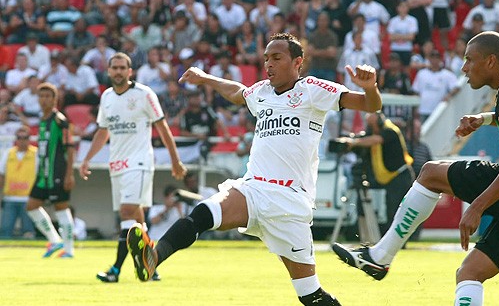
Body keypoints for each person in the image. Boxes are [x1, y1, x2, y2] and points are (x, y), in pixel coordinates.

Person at [126, 32, 382, 305]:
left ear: (298, 62)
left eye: (276, 58)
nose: (268, 64)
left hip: (290, 201)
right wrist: (205, 78)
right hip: (254, 189)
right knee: (204, 212)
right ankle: (155, 256)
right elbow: (237, 92)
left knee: (310, 294)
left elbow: (370, 105)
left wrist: (370, 87)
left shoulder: (313, 89)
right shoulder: (261, 92)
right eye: (266, 59)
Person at [332, 31, 499, 306]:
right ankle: (379, 259)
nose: (464, 68)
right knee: (469, 274)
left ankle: (380, 257)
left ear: (491, 61)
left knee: (431, 173)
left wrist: (477, 207)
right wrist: (482, 119)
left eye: (470, 60)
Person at [78, 52, 187, 283]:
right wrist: (87, 158)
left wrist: (175, 160)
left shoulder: (144, 94)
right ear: (108, 71)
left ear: (130, 72)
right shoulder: (106, 96)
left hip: (139, 162)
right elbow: (102, 131)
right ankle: (152, 265)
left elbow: (163, 127)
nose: (118, 71)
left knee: (126, 213)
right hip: (116, 164)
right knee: (137, 221)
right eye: (114, 68)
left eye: (122, 68)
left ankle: (115, 270)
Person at [335, 111, 415, 234]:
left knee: (396, 210)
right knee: (388, 208)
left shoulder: (391, 131)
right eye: (369, 125)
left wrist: (354, 142)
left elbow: (376, 140)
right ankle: (364, 233)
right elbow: (367, 141)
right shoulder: (370, 136)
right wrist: (350, 141)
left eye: (373, 124)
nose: (372, 128)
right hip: (385, 177)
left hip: (400, 175)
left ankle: (399, 240)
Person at [26, 83, 76, 258]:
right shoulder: (42, 120)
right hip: (43, 175)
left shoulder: (59, 120)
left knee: (61, 208)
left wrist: (69, 174)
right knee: (31, 206)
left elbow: (70, 148)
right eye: (42, 96)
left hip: (58, 173)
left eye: (48, 96)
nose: (44, 100)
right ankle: (55, 241)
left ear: (55, 99)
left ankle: (69, 250)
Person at [0, 126, 37, 239]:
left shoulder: (36, 154)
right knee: (5, 231)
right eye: (19, 138)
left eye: (25, 138)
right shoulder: (8, 153)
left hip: (28, 198)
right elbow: (2, 175)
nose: (22, 140)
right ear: (16, 139)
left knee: (28, 231)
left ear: (29, 139)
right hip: (10, 198)